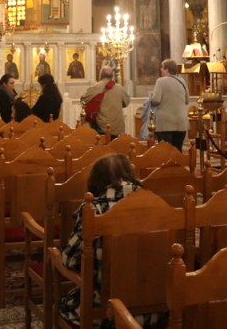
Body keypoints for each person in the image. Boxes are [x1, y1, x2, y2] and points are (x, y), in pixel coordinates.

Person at [59, 154, 159, 327]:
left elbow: (69, 260)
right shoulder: (158, 204)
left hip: (104, 313)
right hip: (154, 312)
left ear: (97, 180)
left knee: (64, 304)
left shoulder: (93, 208)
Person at [147, 59, 189, 151]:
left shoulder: (160, 81)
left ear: (167, 69)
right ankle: (178, 165)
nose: (161, 70)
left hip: (165, 124)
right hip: (181, 123)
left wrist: (151, 97)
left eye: (162, 68)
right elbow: (187, 100)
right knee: (177, 151)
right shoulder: (182, 81)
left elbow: (156, 100)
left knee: (165, 152)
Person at [81, 66, 131, 139]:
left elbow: (83, 100)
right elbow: (126, 102)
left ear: (100, 75)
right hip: (118, 129)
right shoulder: (120, 88)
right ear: (112, 76)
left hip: (101, 128)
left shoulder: (95, 87)